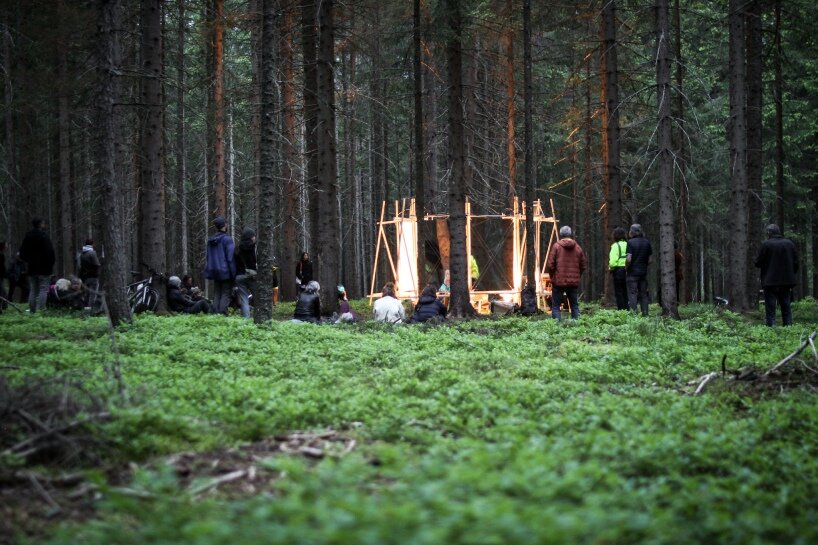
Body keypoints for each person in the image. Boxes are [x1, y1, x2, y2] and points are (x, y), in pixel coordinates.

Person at [755, 224, 799, 327]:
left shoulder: (766, 245)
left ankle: (771, 330)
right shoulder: (789, 244)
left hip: (770, 282)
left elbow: (758, 262)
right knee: (786, 307)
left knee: (770, 309)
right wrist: (790, 274)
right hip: (786, 282)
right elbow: (796, 263)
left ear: (769, 233)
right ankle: (788, 328)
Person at [546, 225, 587, 320]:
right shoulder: (577, 248)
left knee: (556, 306)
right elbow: (583, 266)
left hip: (559, 282)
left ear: (561, 234)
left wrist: (553, 277)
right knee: (574, 306)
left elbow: (550, 265)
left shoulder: (556, 246)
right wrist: (577, 276)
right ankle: (577, 326)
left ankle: (556, 328)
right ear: (570, 234)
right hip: (573, 282)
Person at [19, 218, 55, 313]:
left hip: (32, 268)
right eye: (43, 223)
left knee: (33, 289)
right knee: (43, 289)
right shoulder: (44, 236)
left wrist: (29, 260)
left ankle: (32, 310)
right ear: (40, 224)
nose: (44, 225)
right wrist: (50, 264)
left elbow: (22, 253)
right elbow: (50, 252)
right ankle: (42, 310)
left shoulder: (28, 236)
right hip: (44, 268)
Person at [204, 216, 235, 315]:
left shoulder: (210, 240)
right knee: (226, 293)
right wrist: (233, 273)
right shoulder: (227, 240)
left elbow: (208, 257)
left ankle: (215, 314)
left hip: (214, 270)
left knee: (217, 293)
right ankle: (222, 314)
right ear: (225, 225)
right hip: (225, 271)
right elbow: (230, 258)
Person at [626, 223, 652, 316]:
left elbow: (629, 259)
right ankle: (645, 314)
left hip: (632, 273)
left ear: (632, 232)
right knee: (643, 294)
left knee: (632, 293)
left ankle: (633, 315)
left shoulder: (630, 243)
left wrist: (626, 266)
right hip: (643, 273)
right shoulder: (647, 242)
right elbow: (650, 260)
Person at [234, 227, 257, 319]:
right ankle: (260, 317)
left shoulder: (237, 248)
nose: (255, 237)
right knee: (258, 297)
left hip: (239, 276)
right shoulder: (253, 247)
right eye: (253, 236)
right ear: (251, 237)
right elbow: (253, 262)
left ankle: (245, 320)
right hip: (251, 275)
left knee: (244, 299)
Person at [77, 238, 101, 309]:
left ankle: (85, 307)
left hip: (84, 277)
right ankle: (91, 308)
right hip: (93, 276)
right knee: (93, 293)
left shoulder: (81, 254)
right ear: (92, 244)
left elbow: (79, 267)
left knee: (86, 293)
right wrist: (97, 272)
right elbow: (96, 264)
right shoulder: (92, 253)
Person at [609, 227, 628, 310]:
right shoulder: (628, 244)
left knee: (619, 291)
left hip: (618, 271)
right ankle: (628, 309)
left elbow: (613, 262)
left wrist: (611, 268)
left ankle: (621, 310)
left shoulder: (615, 246)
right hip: (628, 270)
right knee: (626, 290)